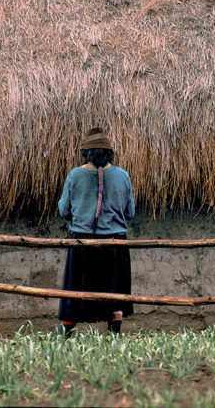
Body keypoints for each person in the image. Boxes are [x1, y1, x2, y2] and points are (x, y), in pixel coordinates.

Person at [57, 127, 135, 336]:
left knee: (76, 290)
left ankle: (63, 335)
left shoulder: (75, 175)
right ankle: (114, 335)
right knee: (114, 290)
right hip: (115, 243)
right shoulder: (123, 176)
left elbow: (64, 210)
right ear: (109, 153)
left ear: (86, 153)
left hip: (82, 243)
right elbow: (130, 212)